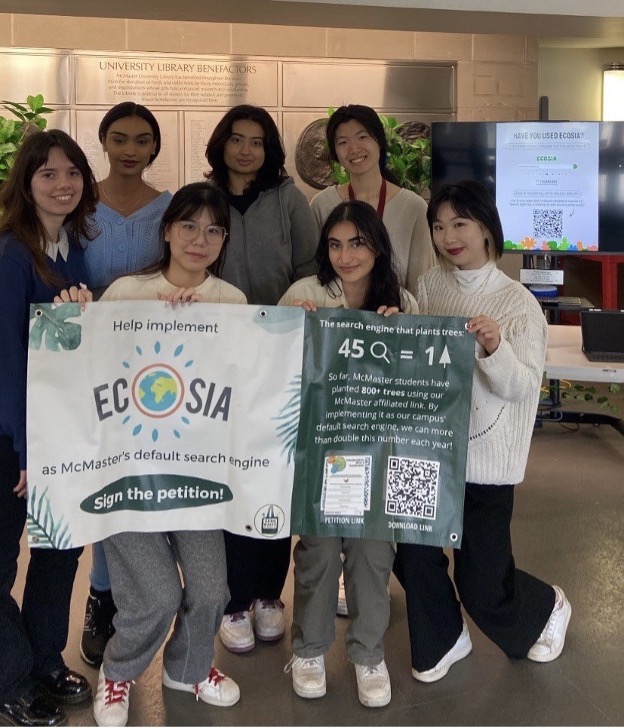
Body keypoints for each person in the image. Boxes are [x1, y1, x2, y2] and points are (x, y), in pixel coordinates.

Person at [393, 180, 572, 684]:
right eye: (438, 226)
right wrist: (398, 319)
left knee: (482, 582)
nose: (448, 236)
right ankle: (445, 637)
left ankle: (546, 606)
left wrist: (495, 348)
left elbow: (521, 387)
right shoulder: (431, 285)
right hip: (429, 446)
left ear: (487, 227)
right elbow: (422, 350)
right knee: (410, 550)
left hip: (487, 457)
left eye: (460, 224)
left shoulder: (518, 305)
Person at [93, 182, 245, 728]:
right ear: (166, 230)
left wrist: (203, 323)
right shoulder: (126, 292)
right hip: (127, 472)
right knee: (155, 597)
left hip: (196, 473)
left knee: (211, 590)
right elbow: (90, 374)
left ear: (224, 239)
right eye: (188, 226)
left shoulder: (232, 303)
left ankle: (190, 667)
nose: (199, 240)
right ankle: (118, 672)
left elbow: (244, 387)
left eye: (213, 230)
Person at [280, 200, 418, 708]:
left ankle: (367, 654)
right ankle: (310, 649)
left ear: (377, 245)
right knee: (317, 551)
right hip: (321, 450)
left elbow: (419, 386)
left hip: (379, 453)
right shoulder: (304, 294)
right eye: (335, 244)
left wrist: (403, 332)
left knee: (372, 555)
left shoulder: (401, 299)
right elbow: (275, 376)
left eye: (357, 242)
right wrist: (288, 328)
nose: (345, 255)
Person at [205, 104, 318, 654]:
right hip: (218, 361)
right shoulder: (204, 199)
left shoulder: (290, 199)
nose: (246, 150)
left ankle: (268, 594)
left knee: (274, 472)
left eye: (257, 141)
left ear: (269, 148)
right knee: (229, 471)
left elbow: (308, 268)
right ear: (221, 144)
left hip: (277, 357)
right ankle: (231, 599)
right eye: (236, 139)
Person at [0, 129, 97, 727]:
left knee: (60, 553)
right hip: (15, 441)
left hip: (63, 436)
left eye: (72, 174)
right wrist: (23, 450)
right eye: (47, 175)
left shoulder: (74, 248)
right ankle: (10, 677)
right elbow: (8, 358)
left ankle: (43, 661)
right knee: (1, 564)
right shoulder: (12, 253)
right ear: (26, 183)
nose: (62, 185)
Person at [80, 102, 173, 669]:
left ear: (154, 147)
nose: (130, 149)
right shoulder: (79, 203)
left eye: (142, 140)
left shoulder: (169, 208)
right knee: (104, 478)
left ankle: (145, 598)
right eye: (119, 138)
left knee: (146, 479)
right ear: (104, 142)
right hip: (94, 366)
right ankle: (102, 593)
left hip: (160, 367)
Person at [310, 104, 435, 296]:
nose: (353, 149)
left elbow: (423, 283)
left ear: (379, 141)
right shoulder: (322, 204)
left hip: (394, 319)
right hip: (336, 319)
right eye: (342, 142)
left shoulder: (413, 207)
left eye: (362, 137)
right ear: (335, 152)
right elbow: (316, 276)